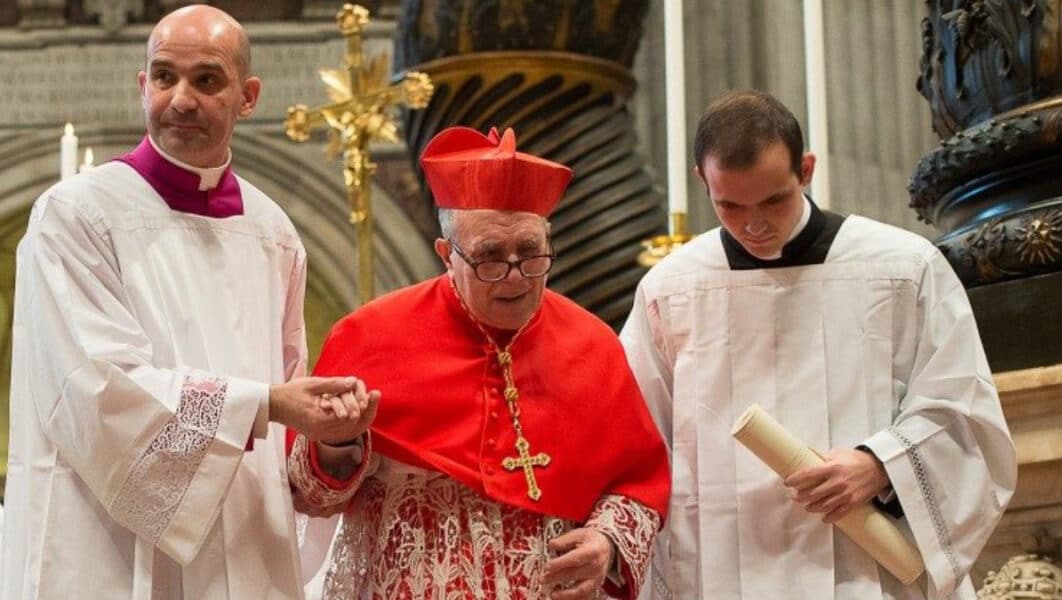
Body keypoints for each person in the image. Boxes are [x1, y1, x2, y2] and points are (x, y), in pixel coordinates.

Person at [1, 6, 371, 599]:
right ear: (141, 86)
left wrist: (332, 439)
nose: (181, 99)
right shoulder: (75, 218)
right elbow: (98, 393)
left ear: (247, 97)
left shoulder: (273, 234)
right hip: (111, 551)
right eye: (165, 76)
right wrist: (265, 404)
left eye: (207, 80)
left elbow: (291, 421)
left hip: (248, 544)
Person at [621, 90, 1016, 599]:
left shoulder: (900, 268)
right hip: (720, 572)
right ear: (703, 181)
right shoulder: (671, 290)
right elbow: (637, 441)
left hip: (866, 566)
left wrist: (880, 466)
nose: (754, 225)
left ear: (805, 169)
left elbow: (965, 410)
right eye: (730, 205)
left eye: (773, 200)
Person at [287, 126, 671, 600]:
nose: (515, 276)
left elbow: (638, 482)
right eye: (490, 256)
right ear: (447, 255)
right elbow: (309, 494)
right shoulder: (369, 337)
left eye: (531, 253)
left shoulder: (592, 344)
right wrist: (337, 441)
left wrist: (606, 543)